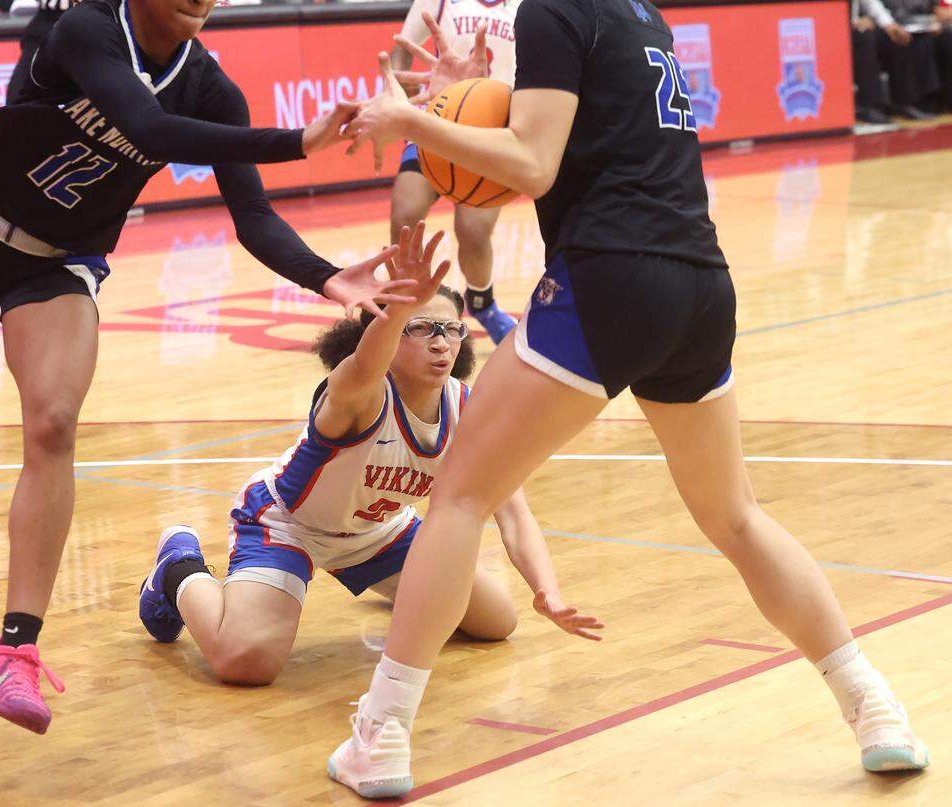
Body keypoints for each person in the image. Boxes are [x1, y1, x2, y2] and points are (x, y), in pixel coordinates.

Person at [330, 1, 930, 796]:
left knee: (462, 495)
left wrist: (412, 118)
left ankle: (381, 733)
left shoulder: (550, 9)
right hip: (699, 281)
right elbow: (573, 125)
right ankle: (874, 705)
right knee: (737, 517)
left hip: (611, 274)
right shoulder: (640, 14)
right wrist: (468, 90)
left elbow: (532, 162)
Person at [0, 0, 414, 735]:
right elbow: (148, 128)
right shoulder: (87, 30)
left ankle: (14, 647)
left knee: (53, 423)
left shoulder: (211, 88)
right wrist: (297, 140)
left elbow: (253, 218)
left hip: (62, 262)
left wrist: (329, 276)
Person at [136, 222, 603, 688]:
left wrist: (548, 591)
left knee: (496, 622)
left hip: (381, 533)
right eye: (421, 328)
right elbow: (364, 364)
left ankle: (398, 585)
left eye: (450, 329)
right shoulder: (359, 392)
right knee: (246, 663)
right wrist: (395, 312)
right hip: (290, 525)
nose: (440, 342)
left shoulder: (468, 408)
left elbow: (513, 513)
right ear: (389, 330)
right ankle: (178, 567)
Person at [389, 4, 520, 344]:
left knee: (474, 231)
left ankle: (483, 303)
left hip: (492, 129)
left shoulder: (526, 6)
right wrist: (404, 107)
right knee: (405, 213)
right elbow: (400, 52)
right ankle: (405, 304)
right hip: (437, 119)